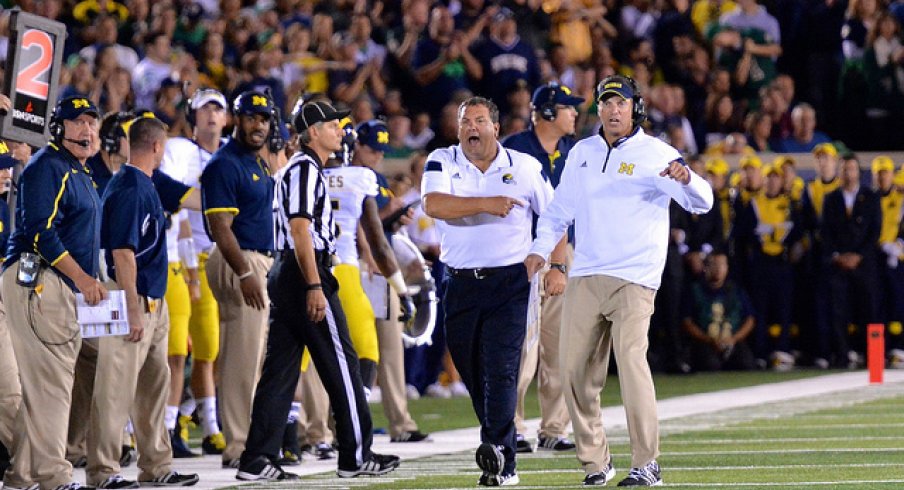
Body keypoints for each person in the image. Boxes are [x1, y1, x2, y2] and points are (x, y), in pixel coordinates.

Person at [525, 75, 714, 487]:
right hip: (587, 273)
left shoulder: (656, 154)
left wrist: (689, 180)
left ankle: (647, 462)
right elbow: (559, 212)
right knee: (572, 372)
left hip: (635, 276)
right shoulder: (582, 153)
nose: (613, 110)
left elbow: (703, 202)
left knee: (630, 361)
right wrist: (542, 253)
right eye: (607, 102)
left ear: (636, 108)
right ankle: (597, 462)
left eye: (621, 103)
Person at [236, 99, 400, 480]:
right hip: (303, 272)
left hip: (290, 271)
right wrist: (314, 284)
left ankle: (257, 458)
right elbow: (300, 230)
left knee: (280, 370)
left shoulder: (305, 169)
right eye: (332, 125)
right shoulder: (305, 171)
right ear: (313, 132)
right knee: (341, 361)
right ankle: (356, 455)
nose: (340, 131)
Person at [422, 96, 555, 486]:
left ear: (496, 128)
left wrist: (549, 260)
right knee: (471, 369)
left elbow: (554, 216)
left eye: (479, 120)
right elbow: (434, 204)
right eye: (465, 121)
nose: (471, 128)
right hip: (460, 281)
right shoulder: (442, 160)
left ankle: (500, 458)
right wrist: (487, 203)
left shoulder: (525, 167)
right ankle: (498, 440)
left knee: (501, 370)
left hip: (509, 283)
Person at [87, 115, 200, 489]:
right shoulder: (132, 188)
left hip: (153, 298)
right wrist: (133, 308)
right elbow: (122, 253)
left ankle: (156, 464)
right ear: (156, 147)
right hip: (130, 298)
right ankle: (103, 470)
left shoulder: (143, 182)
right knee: (115, 387)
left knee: (155, 386)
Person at [2, 96, 108, 490]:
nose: (88, 130)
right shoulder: (49, 165)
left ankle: (22, 474)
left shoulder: (80, 171)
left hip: (59, 286)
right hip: (40, 281)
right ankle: (52, 476)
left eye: (92, 123)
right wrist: (82, 278)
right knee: (50, 384)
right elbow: (39, 233)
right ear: (58, 128)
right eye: (78, 122)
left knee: (45, 384)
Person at [502, 81, 582, 453]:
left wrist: (562, 264)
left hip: (564, 257)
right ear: (548, 112)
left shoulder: (574, 151)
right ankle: (512, 426)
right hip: (527, 258)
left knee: (560, 347)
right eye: (568, 108)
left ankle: (554, 427)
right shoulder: (515, 151)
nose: (575, 114)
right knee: (522, 347)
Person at [199, 90, 276, 469]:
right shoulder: (226, 163)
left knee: (247, 356)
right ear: (236, 119)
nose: (258, 125)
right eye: (251, 117)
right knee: (242, 359)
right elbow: (219, 227)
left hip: (252, 259)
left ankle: (245, 440)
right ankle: (240, 444)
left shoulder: (254, 161)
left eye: (264, 119)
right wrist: (245, 272)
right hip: (240, 259)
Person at [340, 119, 427, 443]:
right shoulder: (343, 176)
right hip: (355, 267)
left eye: (380, 150)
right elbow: (358, 223)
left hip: (381, 266)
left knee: (391, 348)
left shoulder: (374, 178)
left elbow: (381, 223)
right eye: (371, 148)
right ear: (356, 145)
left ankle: (400, 423)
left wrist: (395, 216)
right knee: (350, 349)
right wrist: (391, 210)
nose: (376, 155)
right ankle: (340, 425)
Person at [160, 88, 230, 458]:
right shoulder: (179, 151)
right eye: (205, 109)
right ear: (193, 115)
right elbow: (175, 201)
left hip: (227, 257)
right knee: (178, 352)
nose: (212, 115)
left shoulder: (234, 151)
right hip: (190, 259)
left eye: (218, 109)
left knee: (212, 350)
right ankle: (172, 424)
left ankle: (207, 422)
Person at [820, 155, 882, 367]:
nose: (848, 174)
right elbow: (826, 233)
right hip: (839, 264)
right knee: (838, 312)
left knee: (871, 310)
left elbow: (875, 231)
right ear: (839, 172)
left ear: (858, 172)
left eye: (852, 169)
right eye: (845, 169)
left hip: (864, 264)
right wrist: (838, 256)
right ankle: (843, 355)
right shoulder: (831, 199)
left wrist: (859, 255)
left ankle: (874, 357)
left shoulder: (871, 197)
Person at [681, 251, 757, 371]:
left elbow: (750, 319)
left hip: (732, 341)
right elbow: (687, 322)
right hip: (705, 342)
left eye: (722, 265)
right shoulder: (695, 290)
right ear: (705, 267)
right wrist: (709, 339)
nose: (718, 269)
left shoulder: (736, 291)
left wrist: (734, 339)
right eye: (714, 264)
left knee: (746, 364)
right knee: (710, 365)